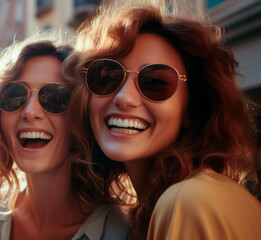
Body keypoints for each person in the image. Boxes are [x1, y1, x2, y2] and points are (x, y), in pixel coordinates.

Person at [63, 1, 261, 239]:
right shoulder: (154, 207)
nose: (125, 98)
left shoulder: (190, 200)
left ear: (191, 109)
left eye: (155, 83)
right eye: (107, 77)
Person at [0, 32, 128, 240]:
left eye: (56, 97)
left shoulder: (120, 232)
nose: (30, 111)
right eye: (15, 95)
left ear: (81, 116)